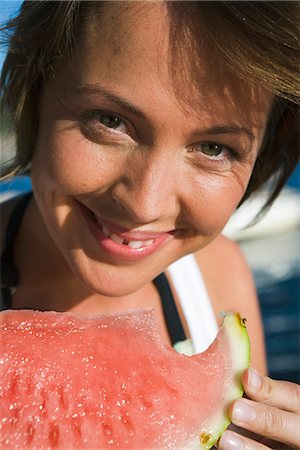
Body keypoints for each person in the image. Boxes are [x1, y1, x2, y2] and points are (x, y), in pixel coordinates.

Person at [0, 1, 299, 448]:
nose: (145, 204)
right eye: (110, 120)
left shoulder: (217, 279)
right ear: (35, 95)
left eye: (215, 148)